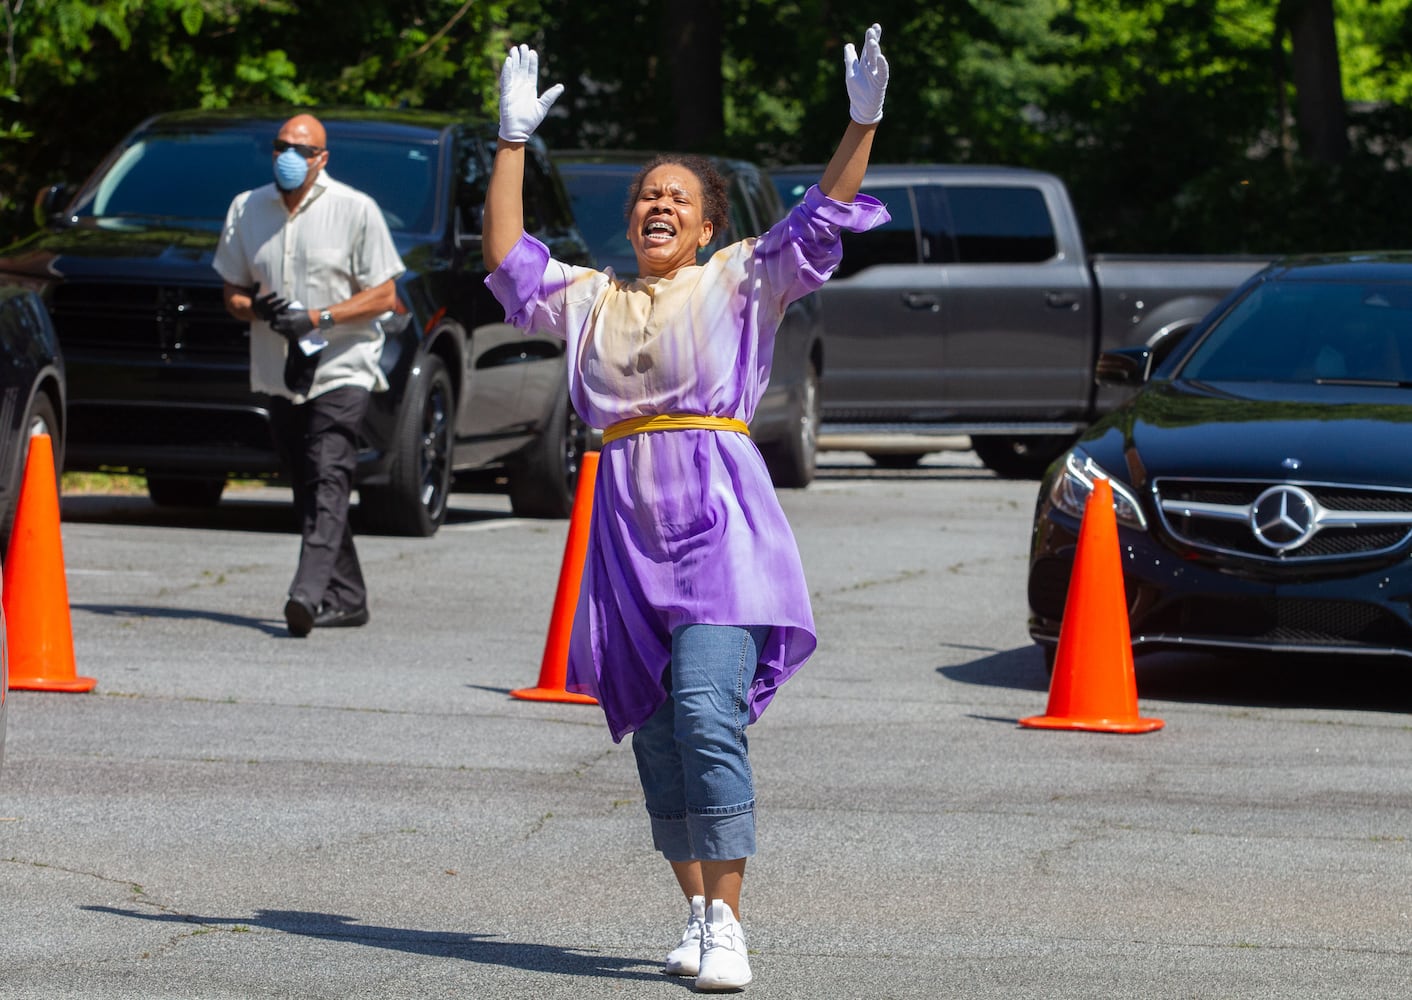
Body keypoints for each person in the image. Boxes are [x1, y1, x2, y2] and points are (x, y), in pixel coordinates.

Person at [483, 26, 889, 991]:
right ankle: (698, 911)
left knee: (708, 712)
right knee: (657, 730)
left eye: (679, 198)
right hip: (626, 539)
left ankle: (733, 925)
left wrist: (862, 119)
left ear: (706, 227)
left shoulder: (742, 277)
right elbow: (505, 259)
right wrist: (507, 142)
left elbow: (823, 212)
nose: (658, 205)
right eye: (645, 197)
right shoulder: (588, 297)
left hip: (724, 529)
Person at [213, 114, 405, 637]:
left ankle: (307, 592)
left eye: (301, 148)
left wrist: (320, 317)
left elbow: (385, 295)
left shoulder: (355, 209)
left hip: (343, 364)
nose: (288, 156)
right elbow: (232, 292)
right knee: (307, 481)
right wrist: (259, 310)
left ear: (323, 157)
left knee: (329, 471)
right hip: (279, 369)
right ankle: (348, 595)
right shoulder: (246, 208)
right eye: (280, 146)